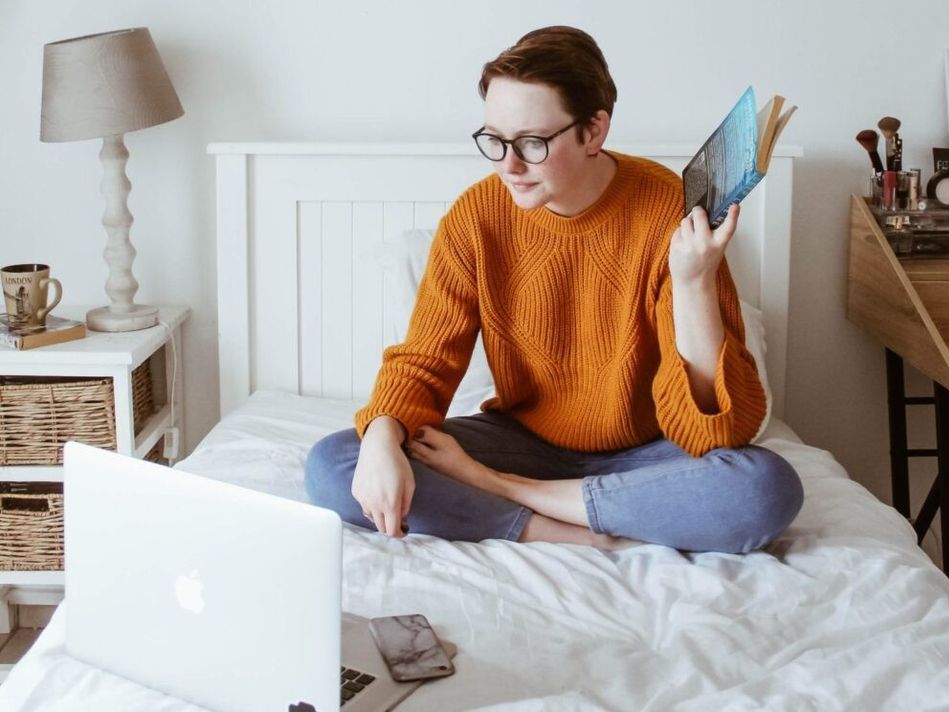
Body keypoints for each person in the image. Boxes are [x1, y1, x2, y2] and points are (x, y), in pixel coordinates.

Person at [305, 26, 803, 553]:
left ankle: (513, 495)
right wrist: (384, 434)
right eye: (494, 139)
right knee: (334, 464)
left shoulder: (667, 211)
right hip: (523, 439)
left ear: (593, 131)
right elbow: (425, 360)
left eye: (532, 143)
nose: (508, 165)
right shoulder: (477, 217)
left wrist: (694, 281)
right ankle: (568, 529)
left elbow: (716, 434)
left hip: (649, 452)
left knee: (763, 487)